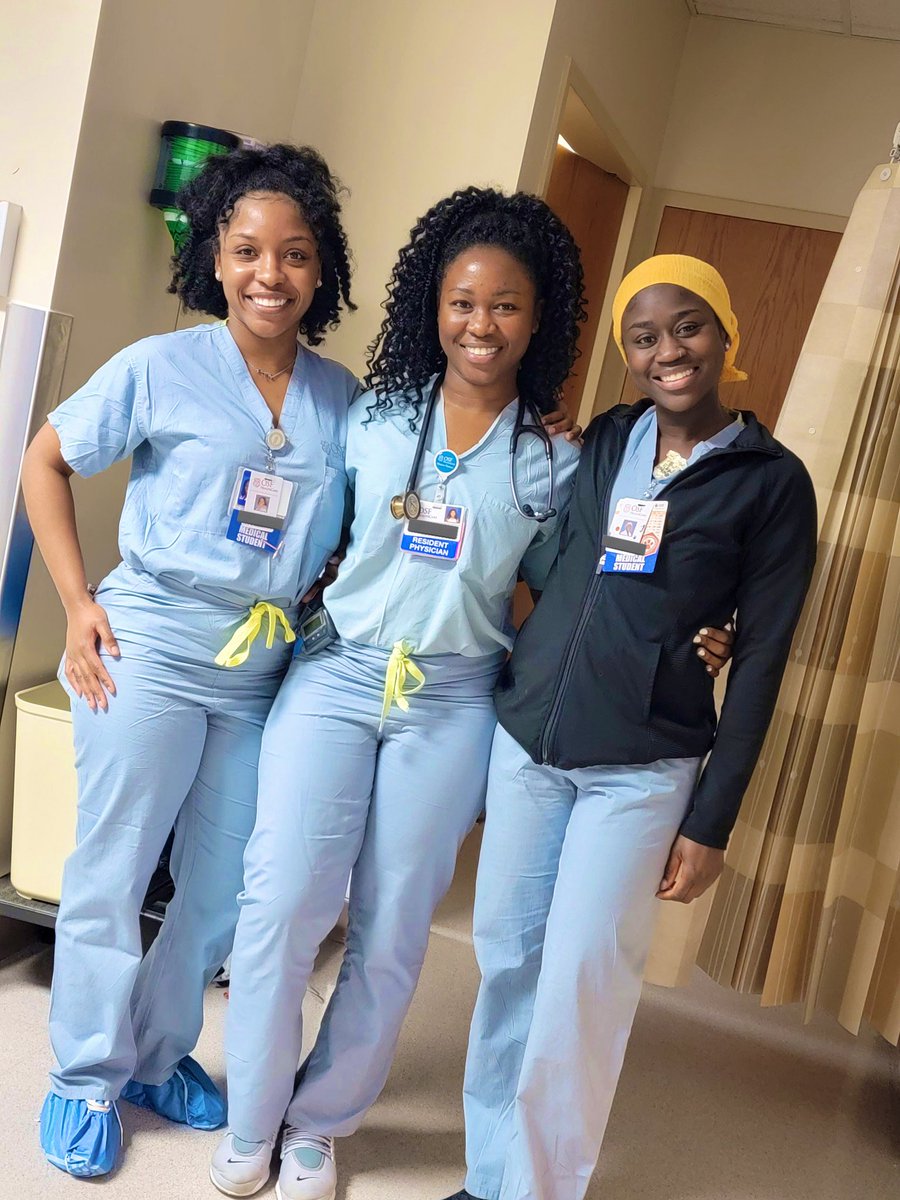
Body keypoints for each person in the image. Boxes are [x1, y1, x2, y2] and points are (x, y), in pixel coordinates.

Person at [209, 197, 732, 1200]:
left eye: (506, 307)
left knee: (395, 925)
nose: (481, 325)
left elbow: (585, 585)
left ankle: (320, 1124)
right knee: (279, 900)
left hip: (451, 702)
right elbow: (306, 535)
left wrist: (709, 630)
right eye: (462, 303)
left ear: (541, 323)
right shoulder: (372, 418)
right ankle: (254, 1115)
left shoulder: (555, 461)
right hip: (336, 671)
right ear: (431, 307)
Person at [445, 254, 817, 1200]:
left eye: (688, 326)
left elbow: (765, 659)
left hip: (644, 766)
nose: (668, 351)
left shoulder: (773, 483)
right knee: (510, 965)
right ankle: (492, 1180)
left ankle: (537, 1191)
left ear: (726, 334)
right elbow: (553, 555)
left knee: (580, 986)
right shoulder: (606, 437)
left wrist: (711, 821)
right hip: (531, 743)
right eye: (644, 336)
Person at [22, 143, 357, 1179]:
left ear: (320, 269)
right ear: (216, 257)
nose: (271, 273)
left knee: (217, 885)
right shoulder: (160, 365)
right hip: (152, 642)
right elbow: (45, 456)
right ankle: (82, 1074)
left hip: (262, 667)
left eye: (295, 254)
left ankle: (158, 1055)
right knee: (112, 869)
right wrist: (78, 605)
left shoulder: (343, 398)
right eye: (250, 250)